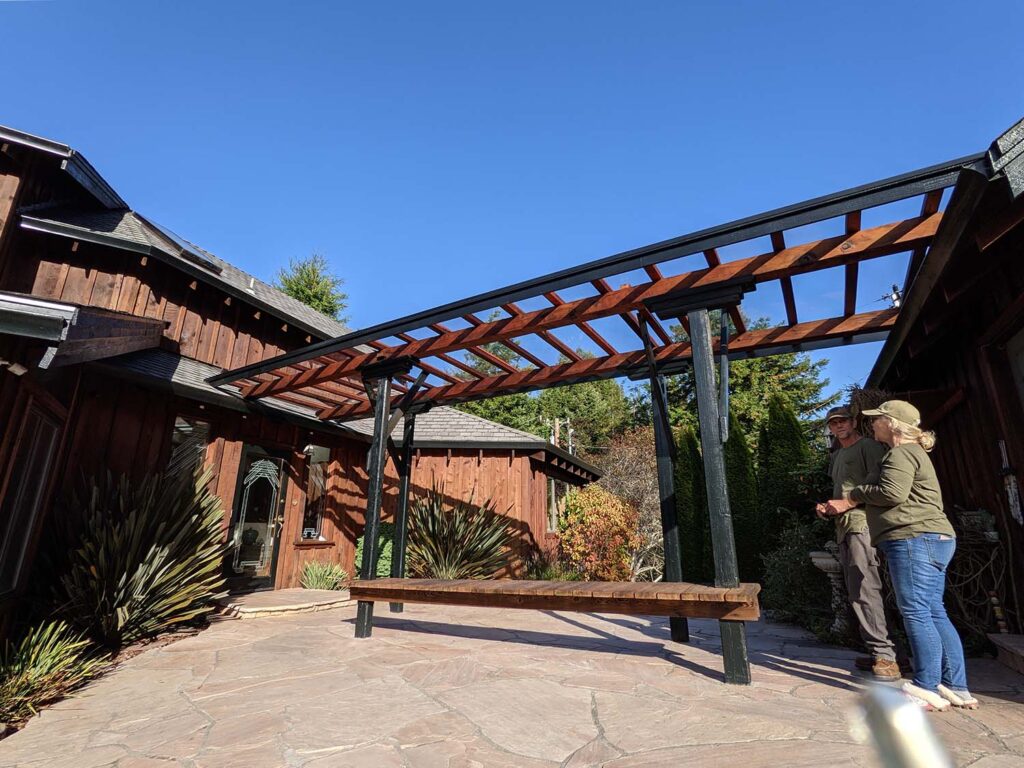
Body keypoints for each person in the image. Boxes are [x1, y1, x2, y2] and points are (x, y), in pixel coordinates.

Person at [826, 400, 977, 712]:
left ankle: (924, 687)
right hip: (932, 537)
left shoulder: (900, 452)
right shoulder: (909, 452)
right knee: (934, 612)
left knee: (919, 613)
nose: (874, 424)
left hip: (914, 538)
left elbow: (892, 492)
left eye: (878, 419)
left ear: (892, 424)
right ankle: (955, 686)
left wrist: (853, 496)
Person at [816, 406, 899, 680]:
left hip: (865, 528)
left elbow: (886, 488)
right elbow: (842, 494)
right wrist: (829, 508)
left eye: (842, 421)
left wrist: (848, 503)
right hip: (845, 528)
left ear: (853, 422)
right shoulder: (838, 454)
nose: (838, 426)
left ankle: (886, 657)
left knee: (867, 589)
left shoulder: (869, 448)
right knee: (857, 592)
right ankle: (880, 652)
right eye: (833, 423)